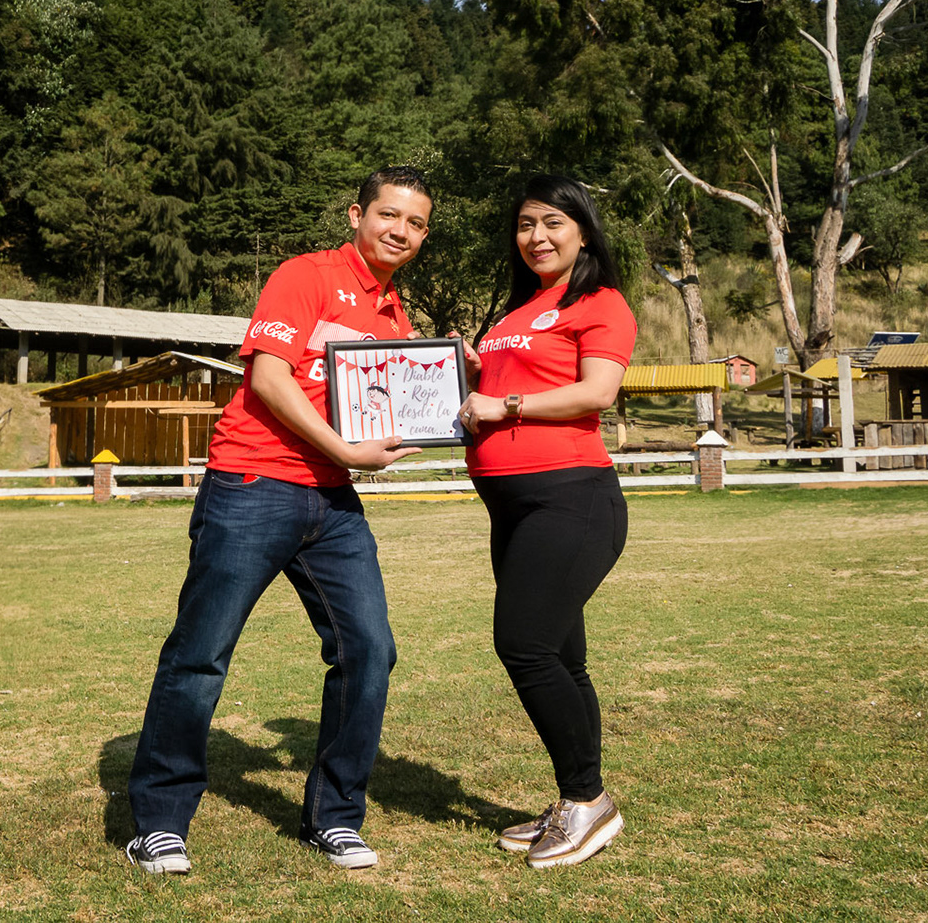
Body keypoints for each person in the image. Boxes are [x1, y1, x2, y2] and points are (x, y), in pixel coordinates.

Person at [123, 167, 434, 876]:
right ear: (357, 214)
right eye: (390, 215)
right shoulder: (305, 275)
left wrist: (446, 374)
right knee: (201, 653)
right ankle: (160, 821)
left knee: (369, 650)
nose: (402, 232)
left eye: (416, 224)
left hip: (331, 500)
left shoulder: (395, 313)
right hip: (253, 482)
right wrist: (348, 452)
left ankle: (335, 816)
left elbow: (388, 402)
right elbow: (268, 376)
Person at [456, 174, 635, 870]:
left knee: (524, 645)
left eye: (553, 222)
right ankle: (573, 798)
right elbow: (498, 390)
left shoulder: (600, 300)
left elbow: (597, 390)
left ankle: (589, 802)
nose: (537, 236)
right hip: (512, 504)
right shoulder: (516, 311)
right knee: (563, 657)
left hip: (572, 497)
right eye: (526, 224)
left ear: (583, 230)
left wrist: (507, 406)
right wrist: (470, 371)